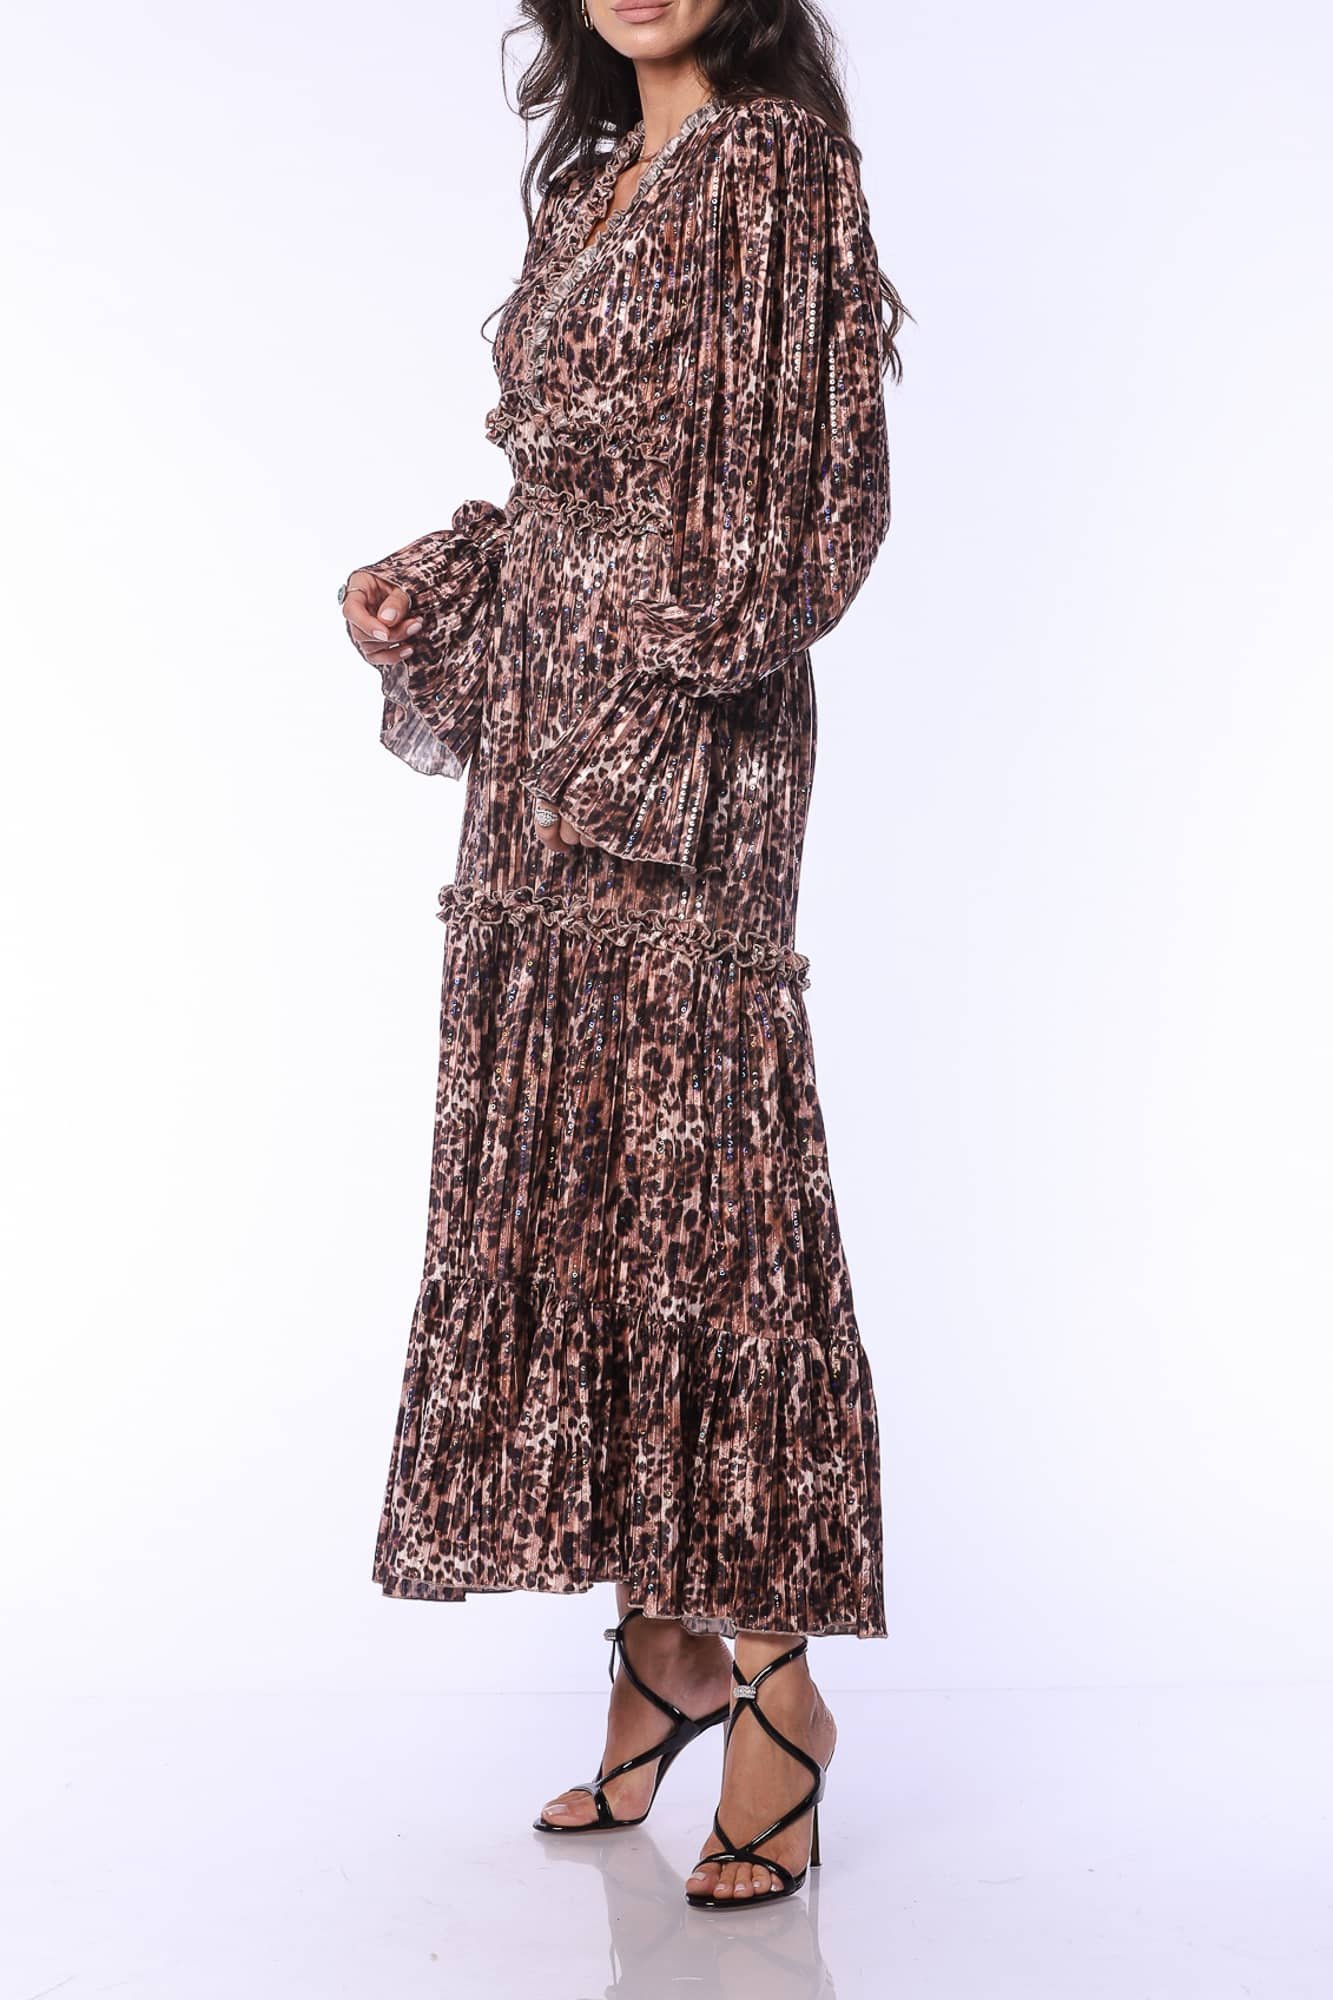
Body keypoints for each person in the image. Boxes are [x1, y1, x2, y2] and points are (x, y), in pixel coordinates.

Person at [339, 0, 907, 1910]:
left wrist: (637, 673)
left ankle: (777, 1686)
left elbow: (804, 509)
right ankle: (659, 1648)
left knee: (707, 1191)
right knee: (581, 1169)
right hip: (540, 746)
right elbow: (567, 487)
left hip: (683, 751)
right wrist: (445, 579)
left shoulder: (775, 166)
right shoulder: (592, 180)